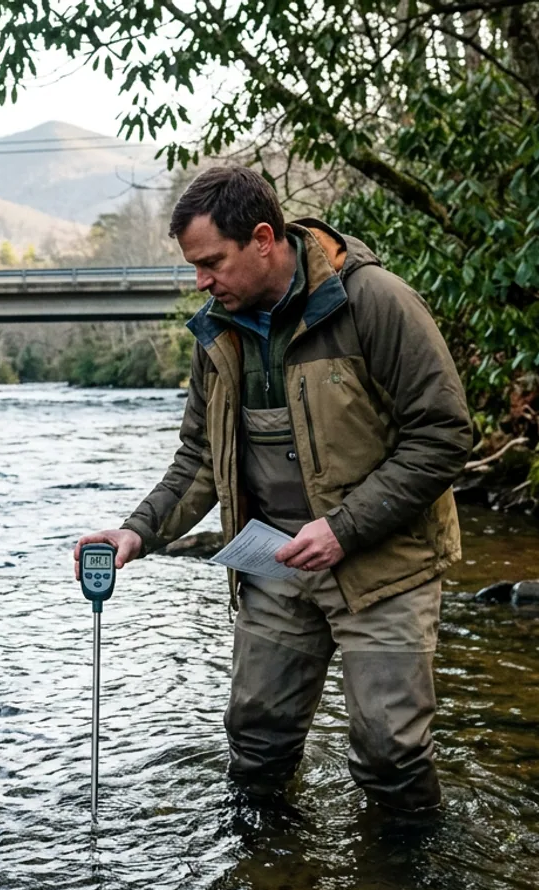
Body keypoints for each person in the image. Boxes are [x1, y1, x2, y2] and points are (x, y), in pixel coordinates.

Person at [73, 167, 472, 813]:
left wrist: (343, 528)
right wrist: (136, 531)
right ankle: (269, 869)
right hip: (272, 564)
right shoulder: (218, 334)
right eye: (194, 267)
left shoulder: (375, 302)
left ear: (263, 238)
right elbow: (201, 457)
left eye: (211, 262)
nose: (200, 282)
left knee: (390, 753)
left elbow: (444, 436)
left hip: (385, 565)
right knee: (256, 742)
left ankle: (404, 875)